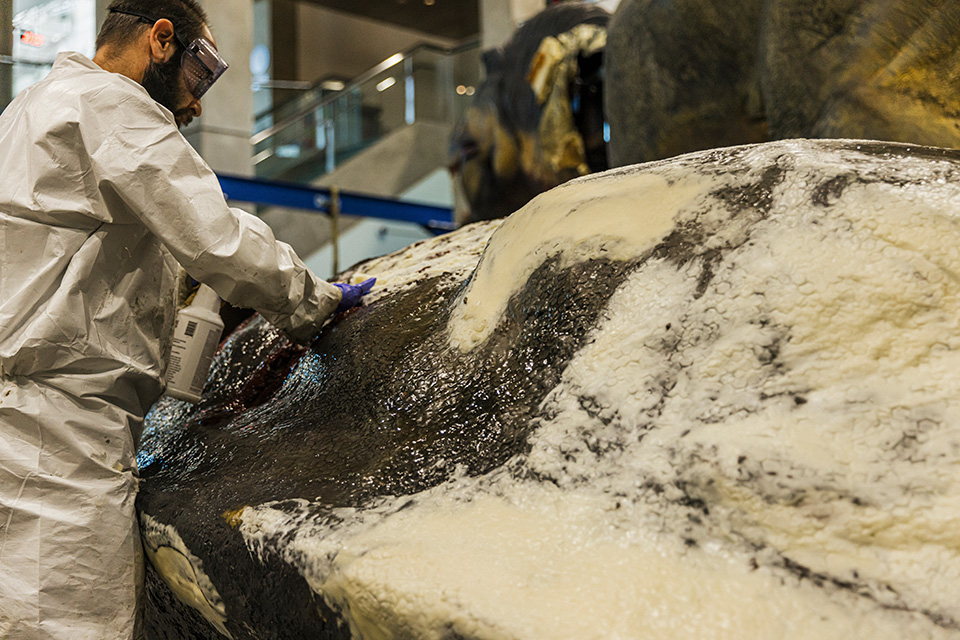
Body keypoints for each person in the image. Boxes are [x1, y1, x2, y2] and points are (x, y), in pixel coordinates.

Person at [0, 1, 373, 637]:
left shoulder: (30, 107)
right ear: (162, 41)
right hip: (60, 434)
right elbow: (219, 238)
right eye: (202, 74)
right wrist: (317, 302)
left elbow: (80, 256)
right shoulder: (112, 106)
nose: (198, 105)